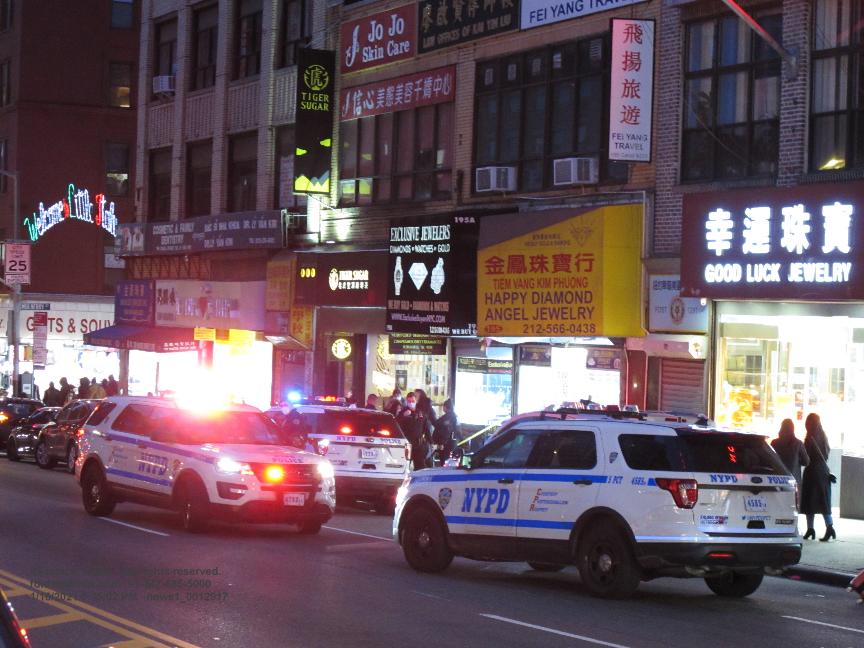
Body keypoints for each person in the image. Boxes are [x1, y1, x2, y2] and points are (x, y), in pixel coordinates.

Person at [800, 413, 835, 541]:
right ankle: (829, 527)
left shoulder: (810, 438)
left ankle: (810, 529)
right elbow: (827, 452)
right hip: (823, 472)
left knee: (810, 501)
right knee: (823, 501)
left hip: (812, 472)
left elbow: (805, 457)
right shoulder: (823, 436)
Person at [771, 418, 809, 485]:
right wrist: (797, 459)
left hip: (777, 480)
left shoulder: (774, 443)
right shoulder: (798, 443)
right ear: (793, 429)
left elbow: (771, 459)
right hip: (794, 481)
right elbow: (806, 462)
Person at [398, 393, 430, 470]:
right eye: (409, 401)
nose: (411, 403)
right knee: (405, 465)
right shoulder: (403, 412)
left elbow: (426, 428)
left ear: (416, 401)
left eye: (413, 401)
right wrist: (403, 416)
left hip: (418, 443)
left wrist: (431, 441)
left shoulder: (421, 413)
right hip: (407, 443)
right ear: (406, 401)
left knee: (420, 466)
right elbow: (396, 423)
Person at [432, 399, 459, 466]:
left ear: (446, 407)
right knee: (449, 463)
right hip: (453, 444)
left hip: (446, 445)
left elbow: (445, 431)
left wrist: (441, 443)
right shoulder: (454, 416)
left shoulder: (448, 417)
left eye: (443, 406)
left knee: (445, 463)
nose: (443, 408)